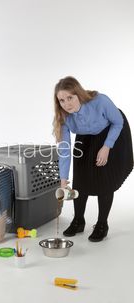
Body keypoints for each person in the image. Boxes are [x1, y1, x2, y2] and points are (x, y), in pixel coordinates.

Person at [53, 76, 133, 242]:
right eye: (61, 100)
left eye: (70, 98)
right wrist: (63, 180)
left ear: (79, 94)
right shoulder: (64, 117)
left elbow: (118, 122)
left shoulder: (100, 101)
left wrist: (106, 147)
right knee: (81, 177)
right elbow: (65, 150)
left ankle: (102, 223)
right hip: (86, 134)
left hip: (111, 130)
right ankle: (78, 220)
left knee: (104, 176)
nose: (66, 104)